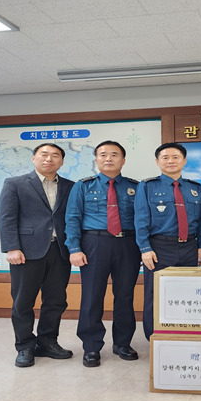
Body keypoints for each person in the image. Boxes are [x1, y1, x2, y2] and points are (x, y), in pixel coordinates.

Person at [65, 141, 141, 367]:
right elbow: (72, 218)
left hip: (128, 244)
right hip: (94, 243)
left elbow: (143, 219)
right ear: (96, 159)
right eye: (103, 154)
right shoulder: (83, 186)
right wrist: (74, 248)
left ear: (123, 160)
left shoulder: (136, 187)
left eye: (114, 155)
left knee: (125, 295)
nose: (108, 158)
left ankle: (123, 343)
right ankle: (91, 346)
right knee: (92, 296)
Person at [0, 143, 74, 368]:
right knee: (23, 301)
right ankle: (24, 346)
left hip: (60, 251)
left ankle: (48, 342)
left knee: (56, 300)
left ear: (61, 161)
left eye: (55, 155)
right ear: (34, 158)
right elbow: (7, 217)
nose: (49, 159)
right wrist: (12, 247)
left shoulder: (71, 187)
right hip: (26, 252)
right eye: (44, 154)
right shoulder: (15, 183)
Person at [134, 142, 201, 341]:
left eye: (175, 157)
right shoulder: (147, 186)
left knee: (187, 294)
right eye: (165, 157)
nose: (170, 161)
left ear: (184, 161)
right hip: (159, 248)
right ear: (157, 162)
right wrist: (145, 248)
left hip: (190, 247)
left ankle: (183, 335)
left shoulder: (195, 188)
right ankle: (154, 338)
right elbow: (140, 219)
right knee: (155, 295)